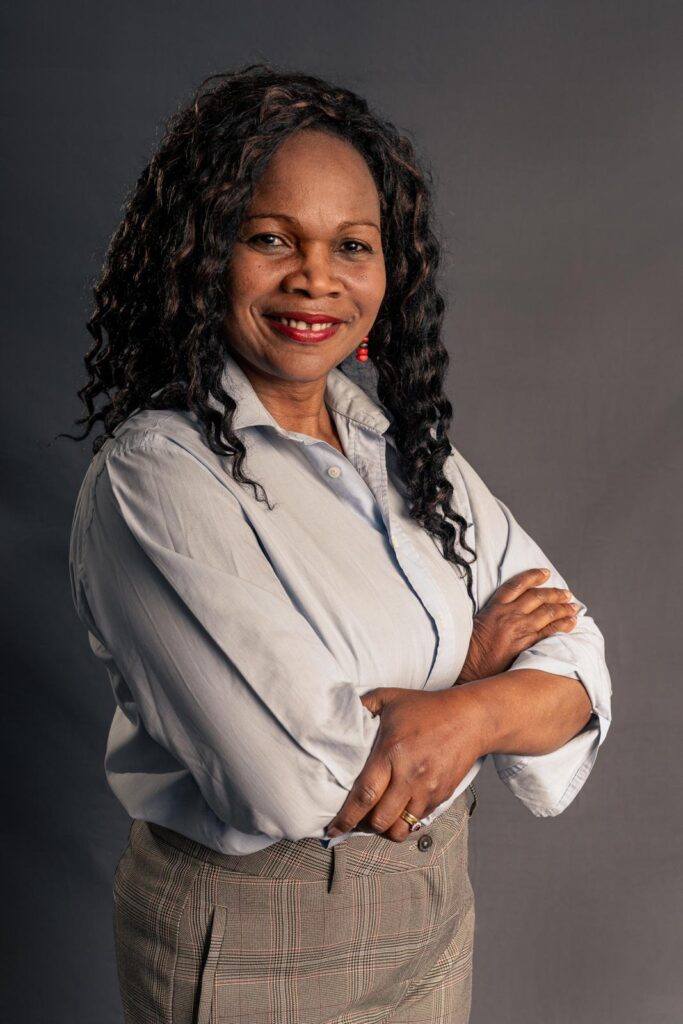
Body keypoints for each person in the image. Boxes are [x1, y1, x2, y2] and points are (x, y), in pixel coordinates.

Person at [66, 64, 612, 1024]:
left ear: (388, 270)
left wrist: (462, 712)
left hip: (434, 914)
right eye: (270, 238)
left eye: (351, 245)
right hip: (257, 943)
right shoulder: (156, 477)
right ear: (201, 254)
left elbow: (580, 664)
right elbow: (293, 783)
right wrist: (480, 679)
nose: (315, 277)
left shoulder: (398, 448)